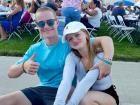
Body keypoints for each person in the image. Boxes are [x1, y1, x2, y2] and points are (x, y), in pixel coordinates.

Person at [0, 7, 114, 105]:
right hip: (41, 89)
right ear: (36, 25)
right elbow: (11, 73)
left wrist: (107, 60)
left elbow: (106, 40)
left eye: (50, 22)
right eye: (41, 23)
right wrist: (23, 66)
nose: (45, 26)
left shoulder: (70, 41)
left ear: (57, 22)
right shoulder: (35, 49)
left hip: (66, 92)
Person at [53, 21, 119, 105]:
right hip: (86, 92)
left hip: (107, 95)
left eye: (77, 35)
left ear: (86, 35)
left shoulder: (100, 55)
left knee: (84, 99)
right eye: (70, 39)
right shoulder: (71, 57)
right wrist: (58, 103)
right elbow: (66, 80)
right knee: (65, 90)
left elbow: (87, 82)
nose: (74, 40)